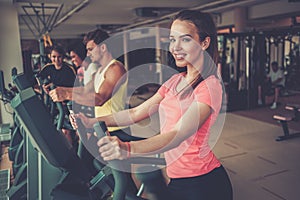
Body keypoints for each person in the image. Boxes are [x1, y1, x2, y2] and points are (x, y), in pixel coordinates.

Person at [72, 10, 233, 200]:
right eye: (173, 40)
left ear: (204, 43)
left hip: (203, 183)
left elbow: (177, 134)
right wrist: (93, 121)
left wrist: (126, 148)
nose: (176, 47)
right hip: (177, 178)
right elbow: (136, 112)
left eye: (185, 40)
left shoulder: (209, 85)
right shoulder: (174, 81)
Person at [37, 44, 77, 145]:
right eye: (54, 57)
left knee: (66, 131)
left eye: (59, 57)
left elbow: (77, 89)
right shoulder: (47, 68)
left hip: (67, 104)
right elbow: (39, 80)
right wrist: (44, 87)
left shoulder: (69, 69)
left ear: (63, 57)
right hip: (53, 105)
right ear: (50, 57)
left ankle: (71, 153)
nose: (56, 59)